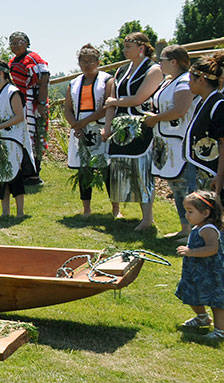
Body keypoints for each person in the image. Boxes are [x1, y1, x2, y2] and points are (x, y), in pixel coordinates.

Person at [102, 32, 162, 231]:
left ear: (141, 47)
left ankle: (147, 218)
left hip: (141, 125)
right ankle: (119, 211)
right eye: (124, 46)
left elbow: (139, 98)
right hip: (120, 127)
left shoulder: (153, 69)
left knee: (141, 170)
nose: (125, 50)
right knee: (121, 168)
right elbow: (109, 103)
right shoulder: (121, 70)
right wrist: (107, 127)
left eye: (129, 46)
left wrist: (115, 101)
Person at [143, 45, 195, 237]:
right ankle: (184, 228)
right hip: (167, 140)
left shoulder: (184, 81)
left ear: (173, 62)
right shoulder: (168, 82)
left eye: (162, 60)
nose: (159, 63)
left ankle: (191, 230)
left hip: (180, 141)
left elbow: (180, 110)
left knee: (185, 186)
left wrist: (155, 118)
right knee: (176, 186)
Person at [61, 44, 112, 217]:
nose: (87, 64)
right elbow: (67, 108)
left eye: (91, 61)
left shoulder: (107, 80)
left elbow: (107, 106)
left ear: (98, 62)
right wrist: (76, 125)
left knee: (107, 169)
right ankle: (86, 209)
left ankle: (116, 209)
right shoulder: (73, 83)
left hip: (100, 129)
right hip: (80, 131)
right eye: (83, 61)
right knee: (84, 170)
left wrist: (83, 122)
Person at [174, 190, 224, 341]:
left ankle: (220, 330)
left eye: (190, 211)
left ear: (206, 212)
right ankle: (202, 317)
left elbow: (212, 249)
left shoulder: (208, 229)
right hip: (196, 272)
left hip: (211, 273)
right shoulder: (199, 225)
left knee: (216, 301)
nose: (187, 215)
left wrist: (190, 251)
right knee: (190, 293)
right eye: (186, 211)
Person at [0, 60, 32, 218]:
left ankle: (20, 212)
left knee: (13, 174)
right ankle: (5, 212)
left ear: (1, 73)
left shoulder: (13, 92)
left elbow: (19, 116)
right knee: (0, 175)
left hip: (11, 139)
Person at [7, 32, 50, 185]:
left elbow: (44, 80)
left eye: (19, 42)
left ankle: (33, 174)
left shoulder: (33, 58)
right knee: (21, 136)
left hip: (33, 103)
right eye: (13, 43)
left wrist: (42, 103)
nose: (16, 45)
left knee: (35, 137)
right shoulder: (12, 62)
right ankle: (22, 171)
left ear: (26, 42)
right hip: (19, 103)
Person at [184, 52, 224, 200]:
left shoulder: (219, 104)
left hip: (212, 172)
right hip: (201, 169)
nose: (188, 84)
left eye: (191, 80)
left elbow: (222, 142)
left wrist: (220, 176)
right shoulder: (203, 101)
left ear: (201, 80)